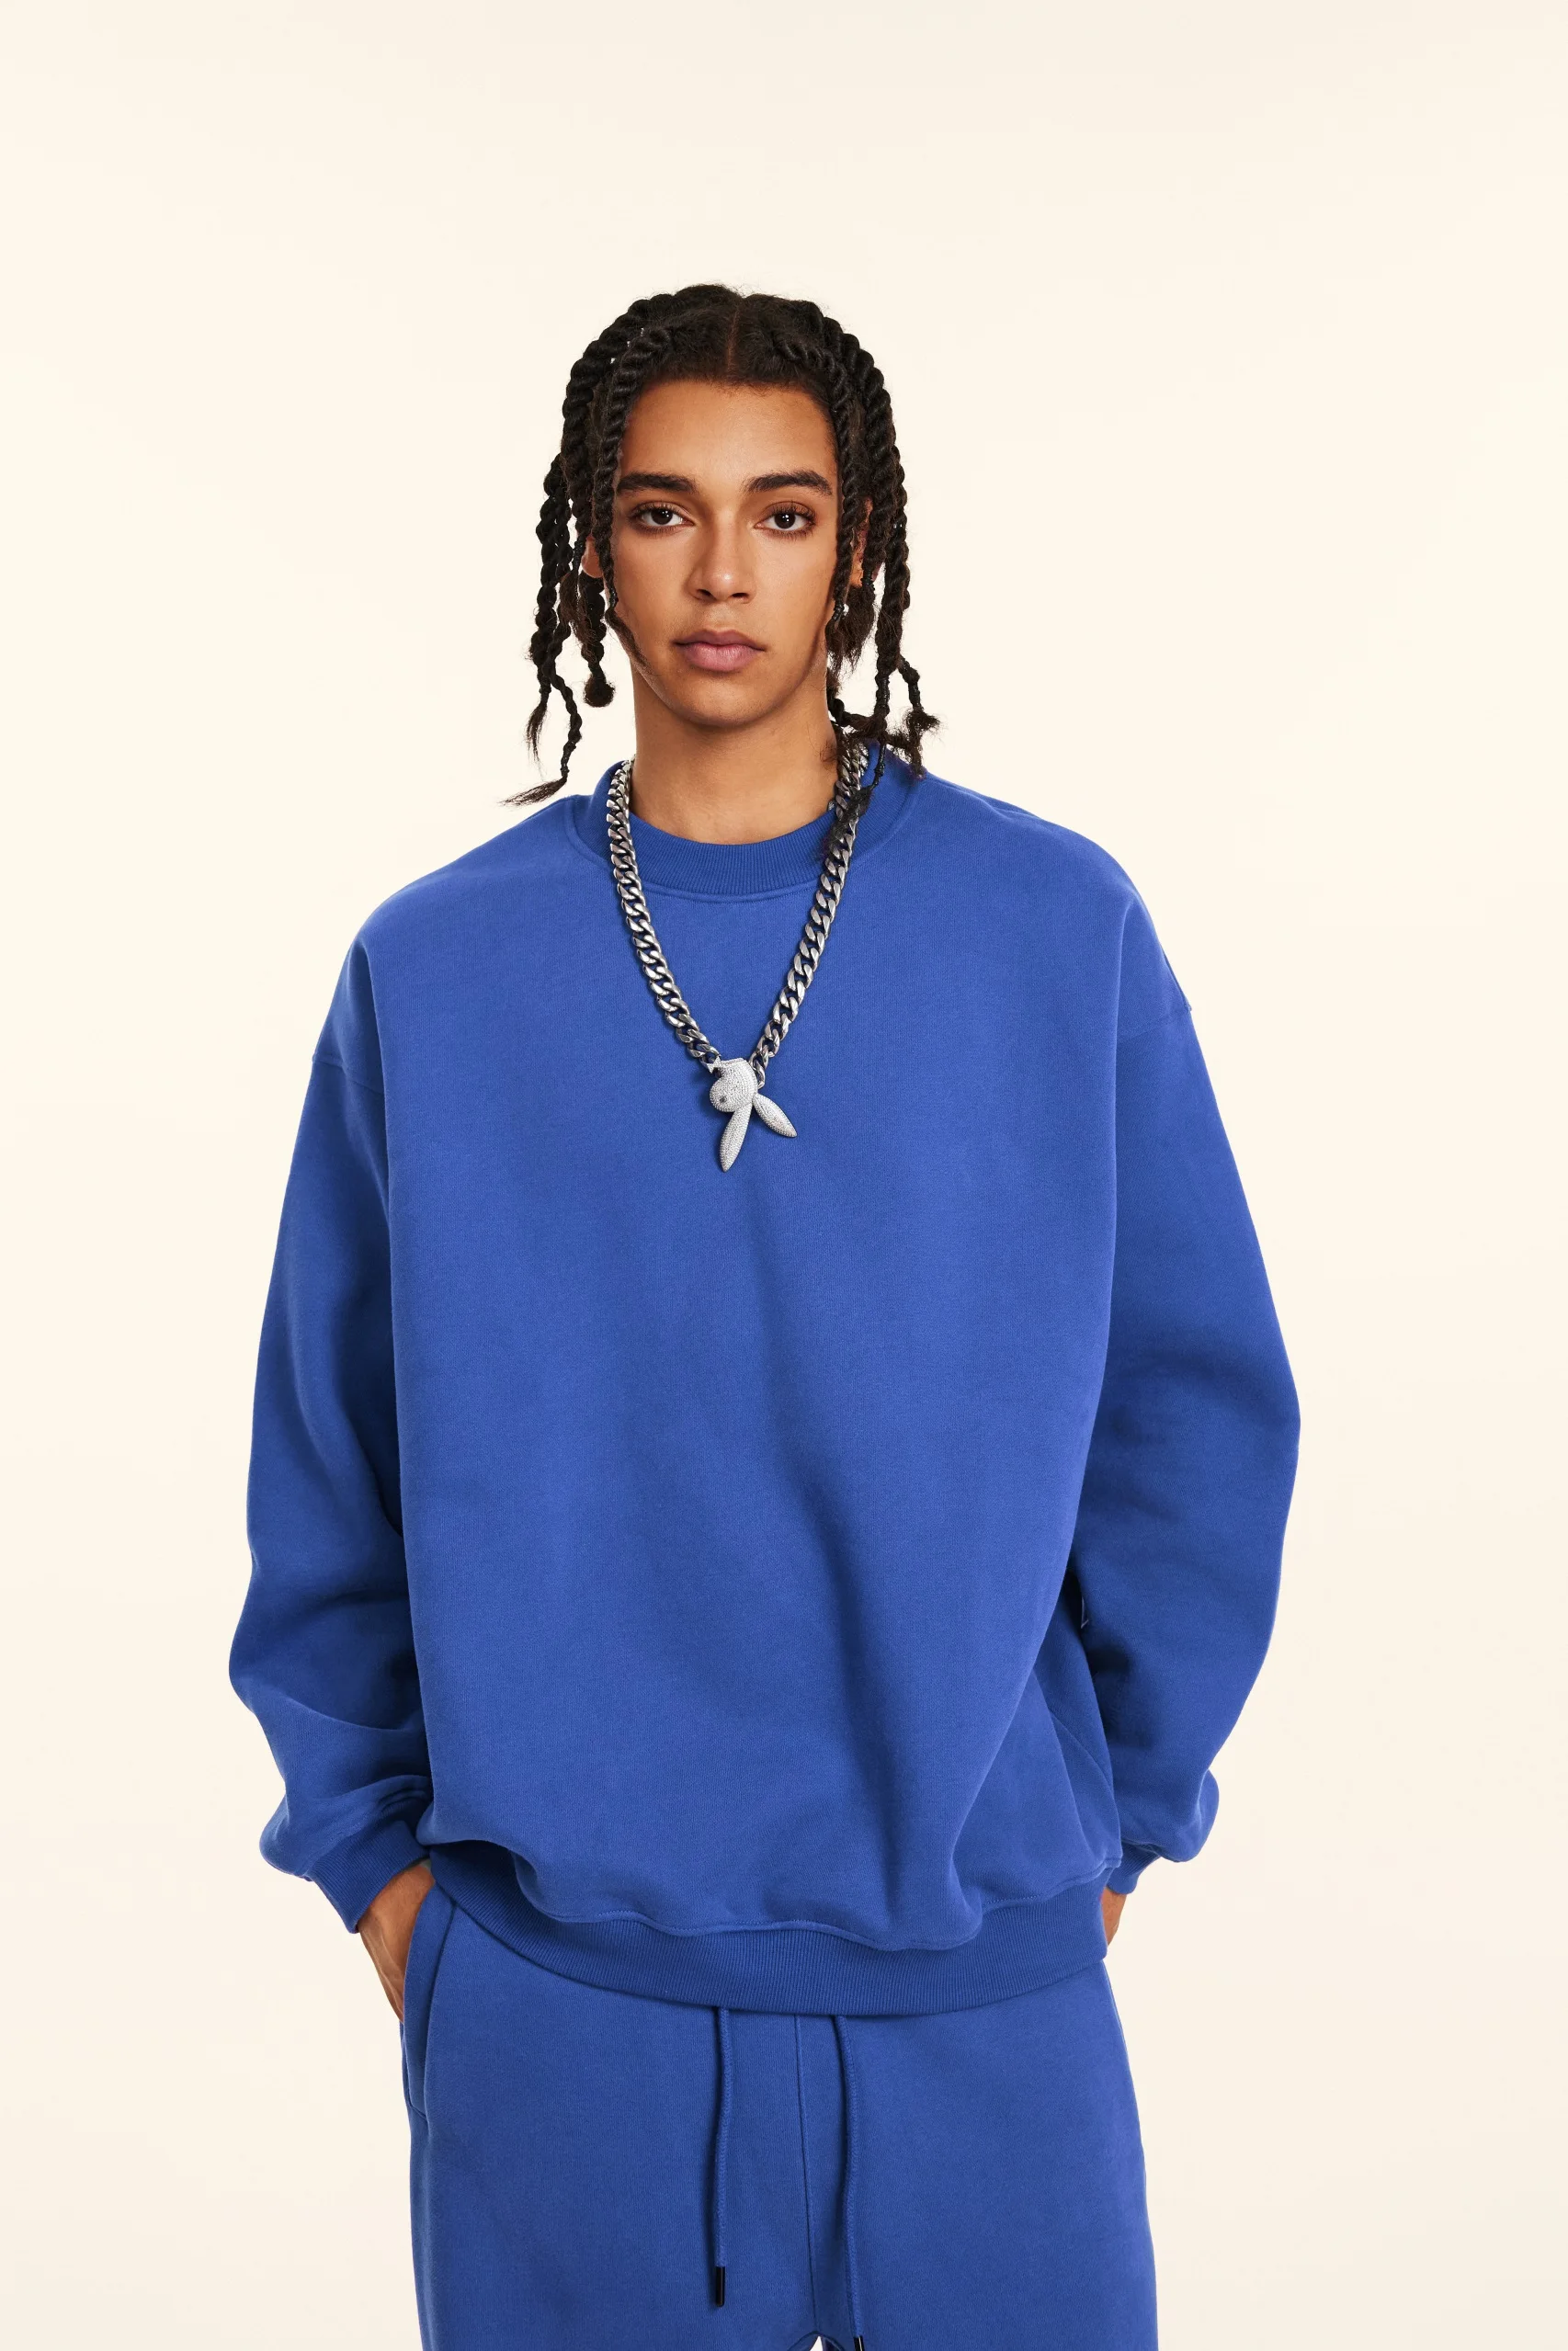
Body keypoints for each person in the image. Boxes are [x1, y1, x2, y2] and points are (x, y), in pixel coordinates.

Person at [231, 283, 1299, 2351]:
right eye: (664, 510)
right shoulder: (434, 971)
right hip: (561, 2014)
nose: (721, 571)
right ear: (590, 548)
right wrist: (394, 1892)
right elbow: (329, 1465)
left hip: (985, 1995)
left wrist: (1106, 1832)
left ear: (857, 546)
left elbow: (1193, 1411)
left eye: (783, 513)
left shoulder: (1052, 927)